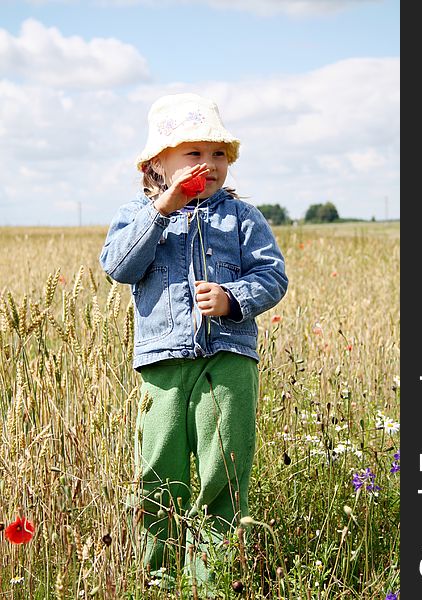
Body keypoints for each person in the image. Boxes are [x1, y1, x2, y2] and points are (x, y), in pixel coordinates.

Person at [99, 92, 288, 589]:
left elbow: (273, 275)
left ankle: (212, 580)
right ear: (156, 163)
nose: (209, 164)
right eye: (193, 153)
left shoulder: (242, 218)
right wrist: (164, 209)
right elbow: (119, 266)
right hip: (162, 362)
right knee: (160, 470)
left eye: (218, 153)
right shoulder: (136, 216)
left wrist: (233, 297)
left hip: (229, 359)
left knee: (223, 468)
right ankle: (157, 578)